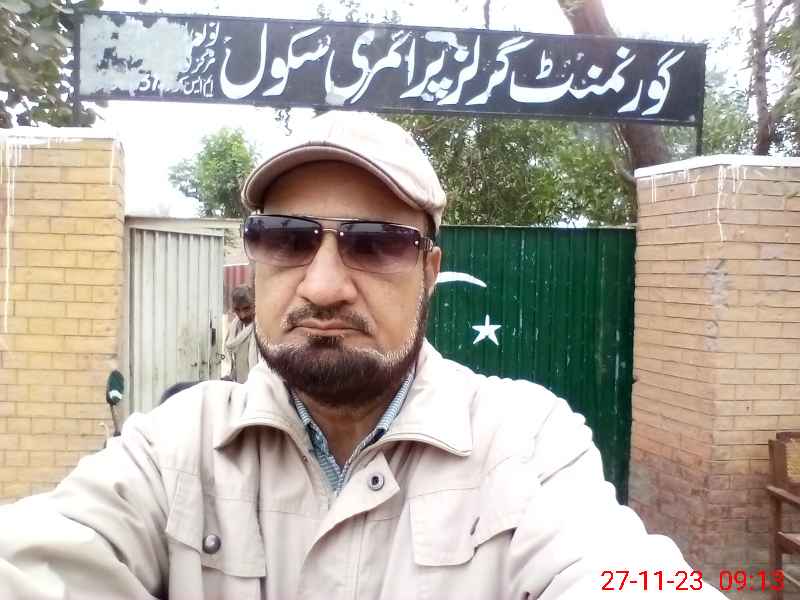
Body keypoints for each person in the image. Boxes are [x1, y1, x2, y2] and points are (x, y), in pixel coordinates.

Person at [0, 111, 727, 600]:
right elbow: (43, 560)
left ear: (430, 271)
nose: (322, 285)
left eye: (375, 244)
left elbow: (621, 575)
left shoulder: (527, 443)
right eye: (286, 238)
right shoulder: (172, 448)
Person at [222, 285, 258, 383]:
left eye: (246, 308)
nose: (242, 315)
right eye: (237, 310)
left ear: (255, 305)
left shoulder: (264, 330)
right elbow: (236, 363)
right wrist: (230, 376)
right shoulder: (234, 329)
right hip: (240, 386)